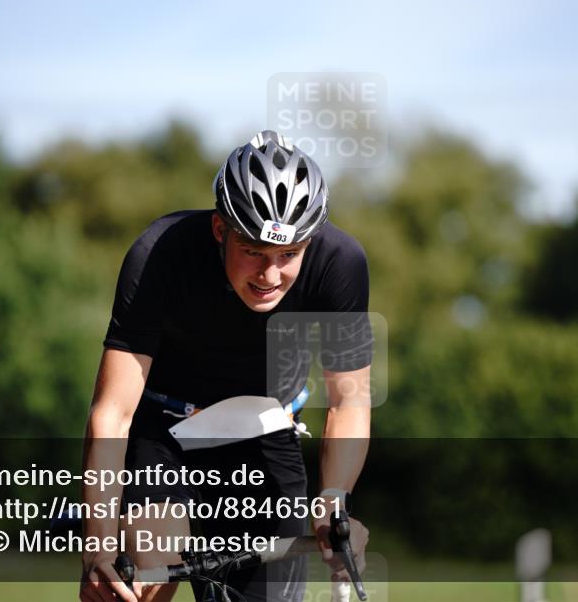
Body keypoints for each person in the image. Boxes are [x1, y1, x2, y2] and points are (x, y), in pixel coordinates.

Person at [79, 131, 372, 602]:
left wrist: (333, 499)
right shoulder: (160, 252)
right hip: (165, 433)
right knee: (147, 572)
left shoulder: (340, 263)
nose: (270, 275)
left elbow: (349, 401)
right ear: (220, 229)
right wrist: (98, 548)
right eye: (253, 251)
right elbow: (112, 412)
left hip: (265, 432)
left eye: (288, 255)